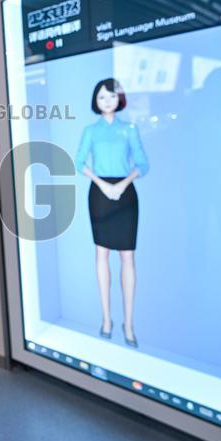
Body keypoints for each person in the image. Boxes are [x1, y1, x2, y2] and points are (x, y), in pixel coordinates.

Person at [75, 78, 149, 348]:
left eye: (111, 96)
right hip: (100, 194)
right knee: (101, 254)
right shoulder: (90, 131)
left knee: (127, 256)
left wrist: (123, 184)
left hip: (125, 195)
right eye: (102, 97)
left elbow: (143, 163)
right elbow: (79, 161)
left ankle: (128, 323)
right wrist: (103, 184)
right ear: (96, 101)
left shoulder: (129, 129)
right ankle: (106, 318)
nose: (107, 101)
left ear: (120, 99)